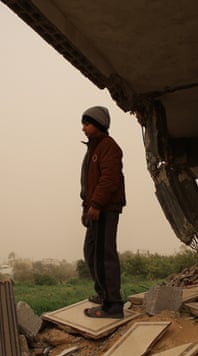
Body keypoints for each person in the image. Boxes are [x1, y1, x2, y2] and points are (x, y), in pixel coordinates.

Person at [80, 106, 126, 319]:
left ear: (98, 125)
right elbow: (87, 184)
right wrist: (85, 208)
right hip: (94, 210)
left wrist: (96, 205)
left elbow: (109, 179)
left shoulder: (109, 147)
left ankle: (113, 306)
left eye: (87, 124)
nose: (83, 128)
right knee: (91, 252)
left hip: (106, 209)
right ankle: (103, 294)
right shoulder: (93, 150)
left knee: (104, 255)